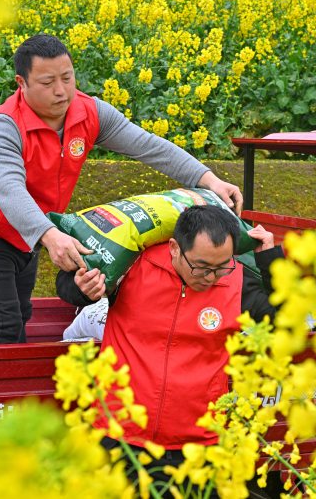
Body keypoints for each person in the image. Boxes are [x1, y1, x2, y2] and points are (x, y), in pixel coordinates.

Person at [0, 34, 242, 344]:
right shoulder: (5, 126)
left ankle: (11, 389)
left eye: (67, 77)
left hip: (31, 233)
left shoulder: (89, 112)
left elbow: (148, 146)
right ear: (21, 83)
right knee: (2, 326)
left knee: (20, 315)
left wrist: (208, 179)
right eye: (48, 82)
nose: (62, 91)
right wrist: (50, 236)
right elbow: (9, 190)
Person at [56, 205, 283, 490]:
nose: (211, 277)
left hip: (199, 447)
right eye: (201, 266)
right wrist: (82, 289)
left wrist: (270, 260)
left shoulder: (236, 279)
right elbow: (66, 284)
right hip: (121, 438)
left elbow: (284, 320)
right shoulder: (132, 265)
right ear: (175, 248)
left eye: (220, 266)